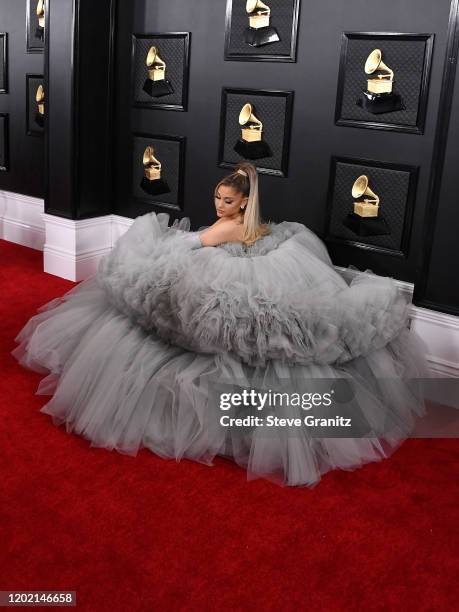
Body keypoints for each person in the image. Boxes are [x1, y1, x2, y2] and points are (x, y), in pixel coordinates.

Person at [11, 161, 430, 487]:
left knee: (190, 313)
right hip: (244, 257)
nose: (219, 206)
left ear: (243, 203)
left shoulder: (224, 230)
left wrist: (170, 249)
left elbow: (191, 242)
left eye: (227, 201)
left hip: (222, 265)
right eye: (217, 198)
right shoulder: (248, 227)